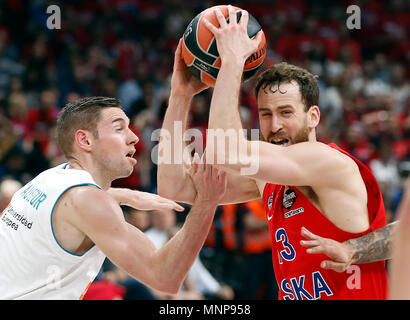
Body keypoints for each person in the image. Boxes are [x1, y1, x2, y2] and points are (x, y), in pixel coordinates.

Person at [158, 6, 387, 300]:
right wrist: (180, 95)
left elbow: (226, 151)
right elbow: (174, 186)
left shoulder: (326, 161)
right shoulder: (268, 180)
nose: (275, 125)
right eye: (265, 114)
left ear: (313, 117)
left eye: (286, 112)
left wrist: (230, 62)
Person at [0, 96, 227, 299]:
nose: (134, 138)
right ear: (85, 141)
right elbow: (164, 277)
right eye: (119, 129)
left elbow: (73, 204)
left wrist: (126, 195)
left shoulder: (51, 177)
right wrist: (206, 203)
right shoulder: (89, 202)